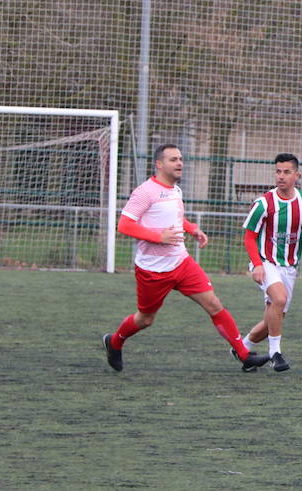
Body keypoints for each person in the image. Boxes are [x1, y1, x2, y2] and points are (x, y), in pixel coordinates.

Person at [102, 144, 268, 373]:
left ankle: (244, 355)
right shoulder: (145, 191)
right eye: (173, 159)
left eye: (180, 158)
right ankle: (114, 342)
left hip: (181, 262)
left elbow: (174, 219)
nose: (179, 163)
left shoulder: (176, 190)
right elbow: (124, 224)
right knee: (145, 319)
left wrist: (192, 229)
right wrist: (158, 237)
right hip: (153, 270)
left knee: (214, 304)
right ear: (159, 164)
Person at [237, 154, 302, 373]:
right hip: (265, 261)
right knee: (279, 299)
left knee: (275, 315)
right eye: (278, 171)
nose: (281, 176)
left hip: (290, 266)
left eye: (286, 172)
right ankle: (275, 354)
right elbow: (249, 237)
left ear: (297, 175)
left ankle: (243, 348)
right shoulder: (264, 203)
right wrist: (257, 264)